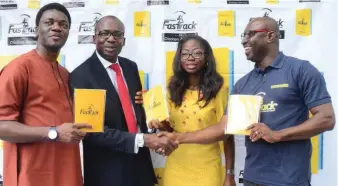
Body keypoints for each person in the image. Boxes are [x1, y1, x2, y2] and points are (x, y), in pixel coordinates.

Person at [158, 16, 335, 186]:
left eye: (250, 34)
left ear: (270, 36)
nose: (244, 40)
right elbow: (224, 129)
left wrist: (277, 135)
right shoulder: (244, 84)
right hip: (252, 177)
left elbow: (326, 119)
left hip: (289, 179)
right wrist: (177, 136)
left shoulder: (300, 70)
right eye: (243, 35)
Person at [69, 15, 177, 186]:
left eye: (117, 34)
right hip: (107, 172)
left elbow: (135, 115)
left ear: (124, 40)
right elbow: (91, 131)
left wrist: (153, 124)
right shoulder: (82, 76)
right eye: (104, 33)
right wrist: (144, 140)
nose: (111, 39)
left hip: (140, 165)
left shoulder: (130, 67)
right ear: (94, 38)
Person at [0, 3, 93, 186]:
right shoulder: (19, 69)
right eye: (49, 22)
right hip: (31, 175)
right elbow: (2, 126)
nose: (56, 27)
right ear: (36, 30)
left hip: (67, 172)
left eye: (63, 24)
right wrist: (54, 132)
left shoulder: (66, 74)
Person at [147, 35, 235, 186]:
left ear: (207, 57)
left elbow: (227, 134)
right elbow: (172, 130)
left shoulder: (219, 90)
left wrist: (229, 175)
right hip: (176, 164)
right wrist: (159, 124)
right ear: (179, 58)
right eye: (185, 53)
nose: (190, 58)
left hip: (207, 167)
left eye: (197, 53)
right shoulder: (172, 89)